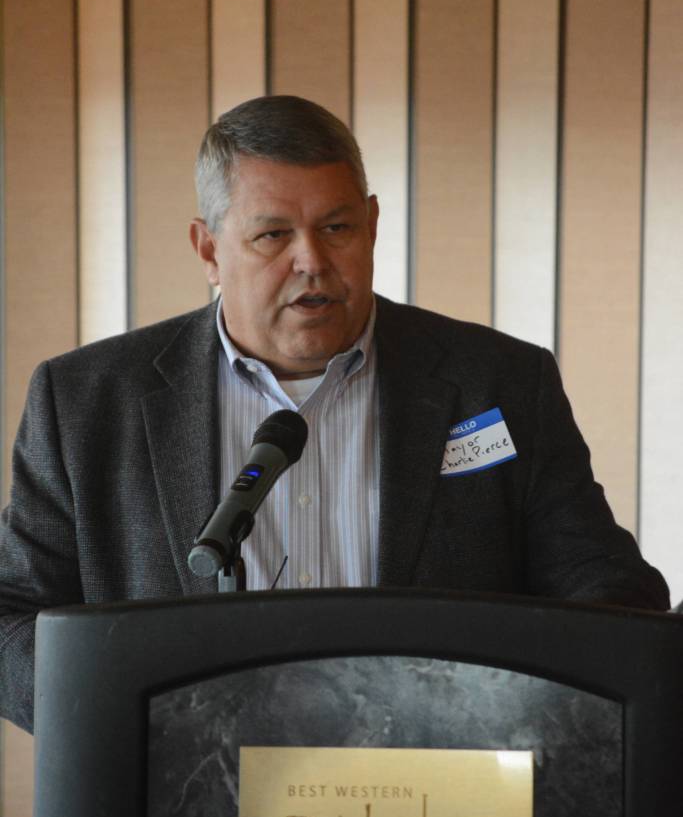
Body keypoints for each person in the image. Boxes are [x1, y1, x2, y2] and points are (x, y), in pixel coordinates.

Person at [0, 95, 670, 733]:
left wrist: (522, 711)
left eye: (337, 228)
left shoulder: (496, 382)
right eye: (271, 235)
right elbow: (12, 617)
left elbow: (604, 588)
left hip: (443, 792)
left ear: (372, 226)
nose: (312, 262)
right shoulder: (86, 400)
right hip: (176, 800)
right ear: (208, 250)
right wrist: (131, 717)